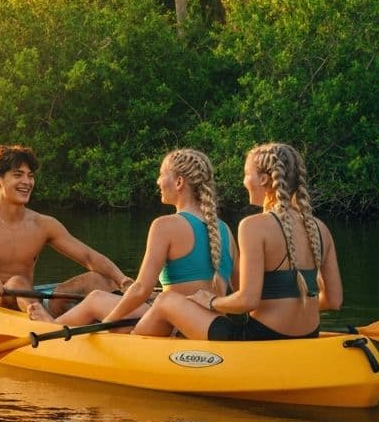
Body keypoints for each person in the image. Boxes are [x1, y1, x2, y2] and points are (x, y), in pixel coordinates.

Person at [133, 142, 343, 341]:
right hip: (309, 334)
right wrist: (292, 307)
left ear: (262, 180)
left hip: (260, 336)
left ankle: (129, 348)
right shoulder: (320, 228)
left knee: (166, 300)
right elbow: (334, 300)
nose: (244, 182)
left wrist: (212, 301)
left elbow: (247, 301)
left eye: (246, 174)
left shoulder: (253, 226)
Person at [30, 148, 236, 329]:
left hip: (174, 325)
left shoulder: (165, 225)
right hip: (211, 324)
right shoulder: (225, 230)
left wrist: (108, 321)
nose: (158, 181)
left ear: (179, 182)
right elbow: (239, 292)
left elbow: (140, 289)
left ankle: (52, 328)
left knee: (95, 299)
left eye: (162, 174)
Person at [0, 144, 131, 318]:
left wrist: (123, 280)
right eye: (18, 175)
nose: (27, 182)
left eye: (30, 176)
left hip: (30, 300)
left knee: (96, 279)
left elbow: (88, 256)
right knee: (18, 282)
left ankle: (133, 323)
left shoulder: (43, 224)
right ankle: (46, 326)